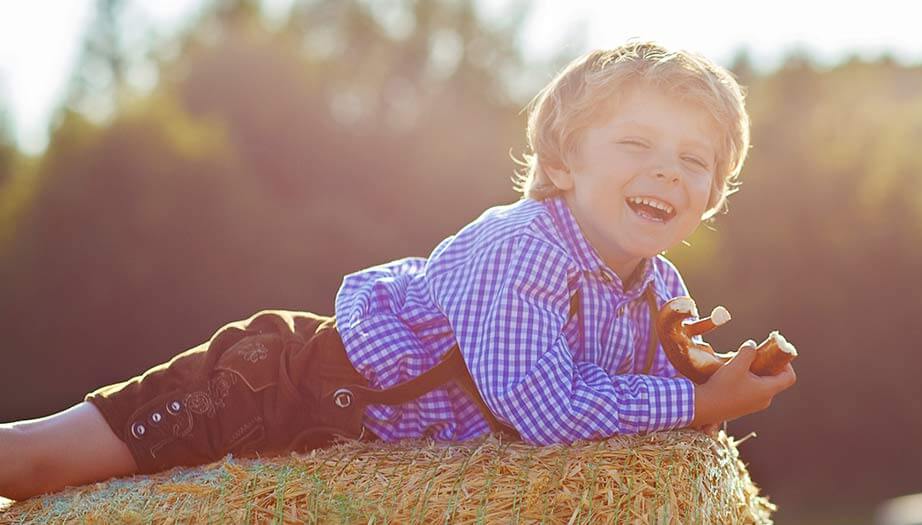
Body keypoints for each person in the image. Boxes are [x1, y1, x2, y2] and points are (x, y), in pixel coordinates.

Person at [0, 40, 796, 500]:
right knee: (37, 463)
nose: (667, 172)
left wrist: (720, 373)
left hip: (362, 444)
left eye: (694, 160)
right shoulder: (524, 246)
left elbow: (644, 399)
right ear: (562, 162)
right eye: (637, 145)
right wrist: (694, 401)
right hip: (279, 386)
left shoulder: (658, 290)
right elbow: (545, 409)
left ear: (714, 195)